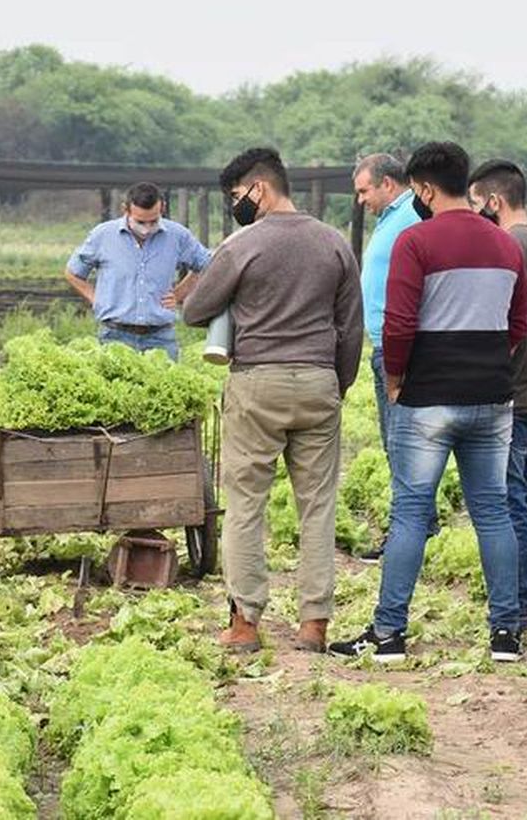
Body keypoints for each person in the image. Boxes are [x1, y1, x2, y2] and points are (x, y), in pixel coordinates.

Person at [329, 141, 527, 664]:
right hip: (492, 398)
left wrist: (396, 380)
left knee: (412, 513)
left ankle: (389, 633)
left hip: (428, 400)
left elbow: (397, 323)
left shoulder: (415, 241)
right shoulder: (506, 244)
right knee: (493, 510)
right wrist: (485, 362)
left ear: (421, 187)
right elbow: (519, 327)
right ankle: (505, 633)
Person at [182, 148, 363, 655]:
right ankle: (314, 625)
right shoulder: (333, 242)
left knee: (245, 504)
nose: (237, 205)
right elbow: (351, 327)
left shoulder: (243, 245)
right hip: (318, 382)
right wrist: (337, 384)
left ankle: (245, 624)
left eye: (238, 196)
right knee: (318, 508)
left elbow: (196, 310)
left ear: (259, 189)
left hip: (257, 383)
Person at [469, 159, 527, 634]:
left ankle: (520, 606)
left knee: (511, 501)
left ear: (494, 201)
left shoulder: (509, 244)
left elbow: (508, 323)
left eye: (475, 202)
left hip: (513, 388)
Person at [351, 151, 420, 563]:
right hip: (384, 344)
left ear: (388, 184)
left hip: (398, 348)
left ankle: (405, 534)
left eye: (364, 190)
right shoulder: (392, 218)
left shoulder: (411, 215)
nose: (361, 199)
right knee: (395, 444)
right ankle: (412, 527)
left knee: (401, 443)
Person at [66, 182, 212, 361]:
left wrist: (179, 294)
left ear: (162, 208)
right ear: (125, 210)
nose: (147, 228)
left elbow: (207, 265)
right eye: (140, 222)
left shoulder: (178, 235)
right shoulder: (103, 235)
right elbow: (73, 272)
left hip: (161, 337)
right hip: (115, 335)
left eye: (153, 221)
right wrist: (95, 298)